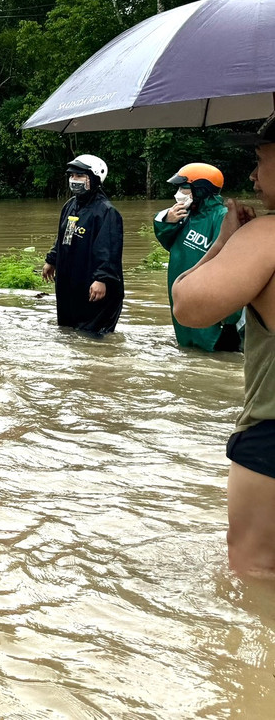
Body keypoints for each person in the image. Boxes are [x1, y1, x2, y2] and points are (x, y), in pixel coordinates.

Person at [172, 113, 275, 576]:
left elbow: (188, 306)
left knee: (255, 575)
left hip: (271, 435)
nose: (252, 174)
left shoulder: (265, 238)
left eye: (259, 157)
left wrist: (225, 243)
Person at [154, 162, 242, 352]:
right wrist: (167, 221)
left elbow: (233, 268)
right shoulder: (184, 214)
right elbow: (168, 242)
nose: (178, 193)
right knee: (188, 351)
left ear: (201, 190)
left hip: (210, 302)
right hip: (182, 297)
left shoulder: (223, 217)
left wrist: (231, 317)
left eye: (184, 188)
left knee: (214, 352)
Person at [42, 155, 124, 337]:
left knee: (93, 337)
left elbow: (108, 250)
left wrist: (102, 279)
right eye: (72, 176)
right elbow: (64, 237)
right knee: (69, 334)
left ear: (94, 178)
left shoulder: (106, 212)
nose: (74, 180)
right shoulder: (71, 206)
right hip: (70, 283)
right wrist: (52, 259)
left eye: (80, 176)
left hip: (94, 285)